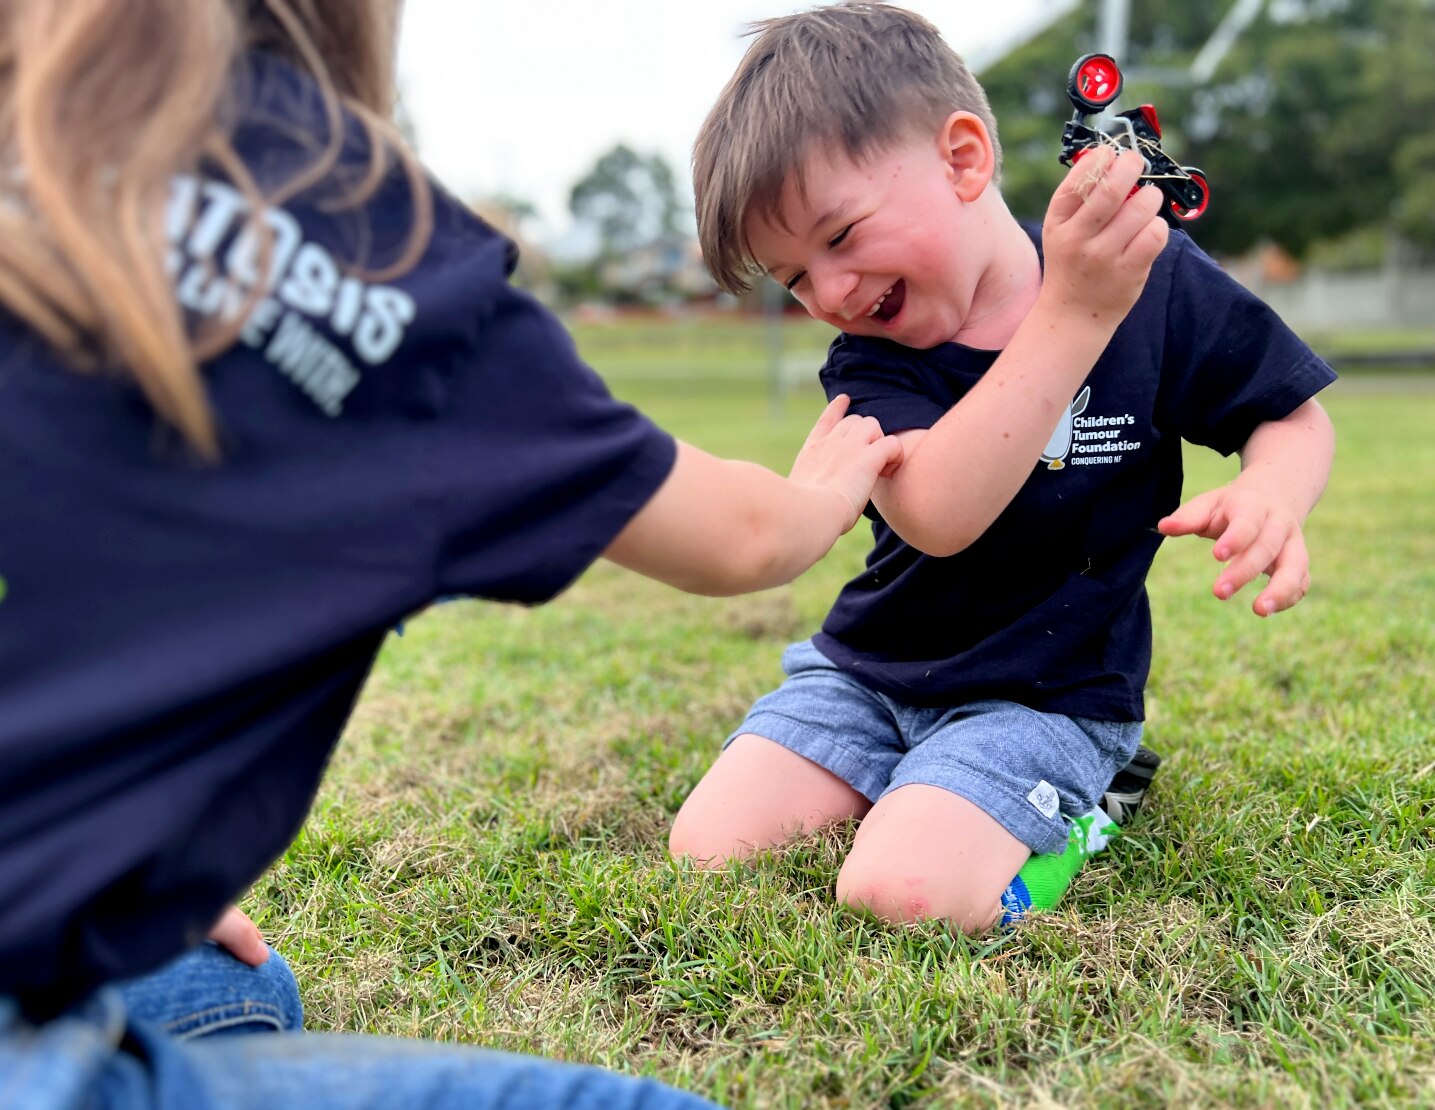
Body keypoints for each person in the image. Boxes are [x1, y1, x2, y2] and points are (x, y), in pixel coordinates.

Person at [0, 2, 906, 1107]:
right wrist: (823, 490)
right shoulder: (378, 259)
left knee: (220, 985)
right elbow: (745, 536)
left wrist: (76, 871)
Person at [669, 2, 1336, 933]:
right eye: (794, 279)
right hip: (870, 671)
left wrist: (1273, 488)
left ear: (962, 159)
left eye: (839, 237)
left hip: (1048, 693)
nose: (828, 294)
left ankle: (1089, 808)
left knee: (906, 895)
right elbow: (940, 513)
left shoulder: (1142, 275)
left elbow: (1289, 413)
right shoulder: (872, 361)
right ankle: (922, 787)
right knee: (710, 849)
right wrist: (1073, 316)